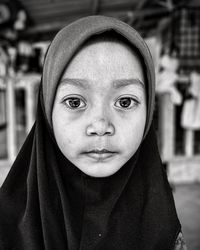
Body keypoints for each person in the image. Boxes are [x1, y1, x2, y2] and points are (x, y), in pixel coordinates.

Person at [0, 15, 187, 249]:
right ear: (48, 111)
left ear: (148, 111)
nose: (100, 126)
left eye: (126, 102)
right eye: (75, 102)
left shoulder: (162, 221)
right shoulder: (6, 228)